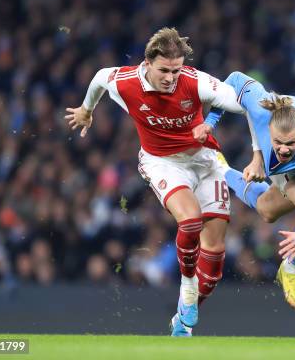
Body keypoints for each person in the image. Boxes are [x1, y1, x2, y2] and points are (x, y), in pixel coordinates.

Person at [65, 27, 245, 336]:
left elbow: (238, 101)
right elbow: (99, 78)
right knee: (190, 221)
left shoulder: (195, 81)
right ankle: (187, 288)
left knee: (213, 265)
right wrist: (86, 109)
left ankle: (183, 321)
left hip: (205, 161)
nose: (170, 77)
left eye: (175, 70)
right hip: (162, 163)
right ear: (147, 64)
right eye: (164, 70)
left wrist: (256, 109)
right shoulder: (125, 83)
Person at [193, 71, 295, 311]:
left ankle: (291, 266)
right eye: (278, 142)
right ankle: (219, 167)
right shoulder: (262, 110)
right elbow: (232, 80)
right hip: (287, 159)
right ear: (270, 130)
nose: (283, 150)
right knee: (267, 210)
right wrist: (210, 123)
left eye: (290, 144)